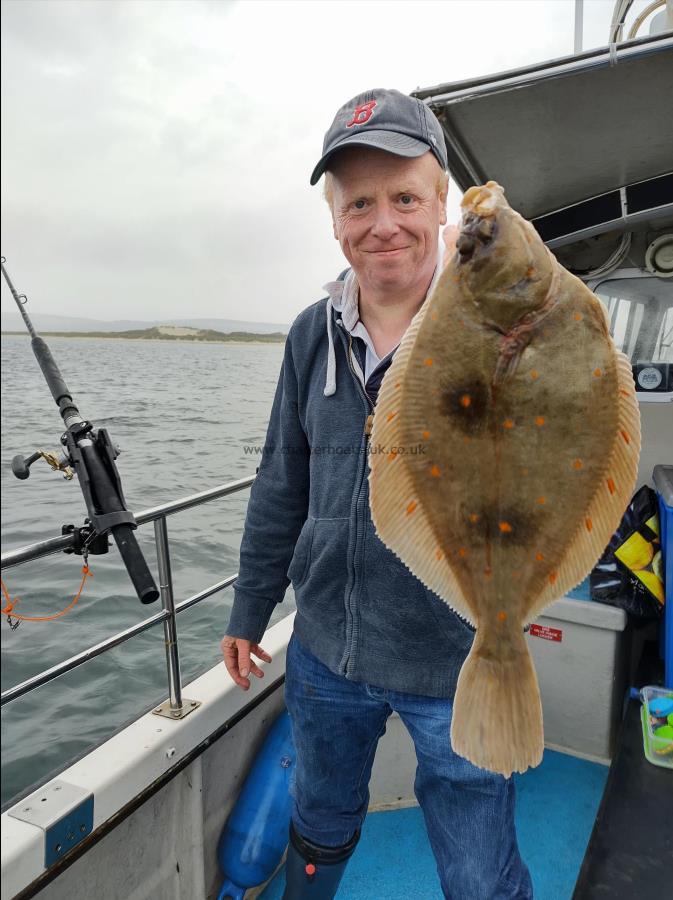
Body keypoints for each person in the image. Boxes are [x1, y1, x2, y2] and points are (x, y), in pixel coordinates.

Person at [221, 88, 533, 900]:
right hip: (325, 649)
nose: (382, 222)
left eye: (403, 197)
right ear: (334, 219)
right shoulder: (307, 334)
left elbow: (540, 483)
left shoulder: (500, 329)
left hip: (456, 658)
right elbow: (279, 481)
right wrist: (250, 609)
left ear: (440, 207)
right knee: (319, 817)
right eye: (358, 202)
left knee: (477, 862)